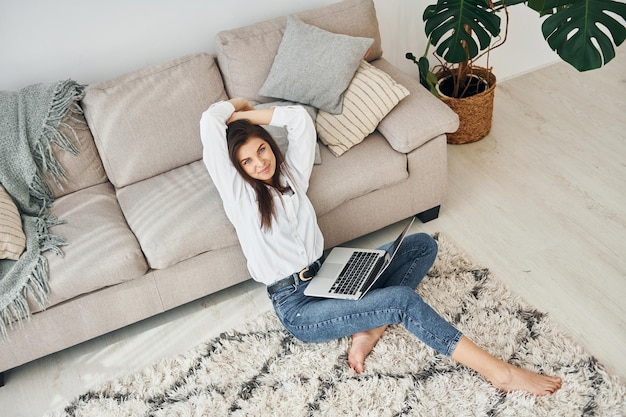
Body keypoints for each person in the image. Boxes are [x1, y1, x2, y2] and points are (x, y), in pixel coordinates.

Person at [200, 98, 562, 396]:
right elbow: (208, 120)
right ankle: (499, 374)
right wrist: (231, 111)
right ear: (238, 168)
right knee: (402, 302)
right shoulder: (241, 197)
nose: (260, 162)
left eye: (262, 149)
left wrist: (246, 113)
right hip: (298, 305)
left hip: (330, 273)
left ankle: (369, 327)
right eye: (247, 161)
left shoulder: (291, 174)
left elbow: (297, 119)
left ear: (270, 145)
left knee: (421, 246)